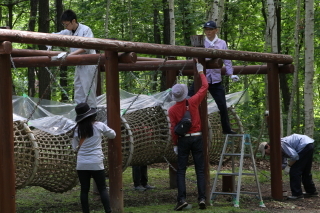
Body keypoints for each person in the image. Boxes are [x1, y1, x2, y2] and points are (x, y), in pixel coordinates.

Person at [168, 62, 208, 211]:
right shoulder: (193, 101)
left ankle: (182, 199)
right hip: (197, 137)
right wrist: (200, 72)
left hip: (183, 140)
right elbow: (204, 87)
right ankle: (202, 198)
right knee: (200, 170)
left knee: (181, 170)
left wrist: (175, 144)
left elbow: (173, 129)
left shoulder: (171, 110)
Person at [188, 20, 239, 134]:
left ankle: (226, 129)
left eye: (210, 29)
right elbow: (195, 57)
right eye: (206, 30)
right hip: (201, 78)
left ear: (216, 30)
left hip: (215, 80)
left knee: (222, 105)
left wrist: (230, 74)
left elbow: (227, 59)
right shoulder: (200, 42)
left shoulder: (222, 43)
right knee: (188, 99)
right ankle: (186, 124)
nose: (208, 32)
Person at [72, 103, 116, 213]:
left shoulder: (77, 129)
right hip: (96, 162)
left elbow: (74, 147)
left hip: (82, 163)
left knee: (84, 190)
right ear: (91, 115)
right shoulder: (99, 125)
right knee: (102, 189)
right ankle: (108, 211)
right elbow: (113, 135)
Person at [49, 9, 98, 108]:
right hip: (78, 64)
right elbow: (56, 35)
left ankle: (92, 116)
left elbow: (86, 47)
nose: (66, 27)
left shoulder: (86, 30)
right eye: (64, 25)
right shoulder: (68, 31)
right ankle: (80, 116)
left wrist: (70, 55)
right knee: (78, 90)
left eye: (67, 24)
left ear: (73, 21)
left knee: (88, 90)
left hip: (89, 64)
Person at [259, 134, 318, 200]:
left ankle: (297, 194)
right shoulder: (278, 149)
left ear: (267, 146)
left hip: (303, 145)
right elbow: (283, 163)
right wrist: (277, 173)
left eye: (266, 153)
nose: (267, 155)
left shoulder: (280, 144)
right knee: (305, 170)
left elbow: (295, 156)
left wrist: (289, 166)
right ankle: (311, 191)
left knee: (294, 171)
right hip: (308, 144)